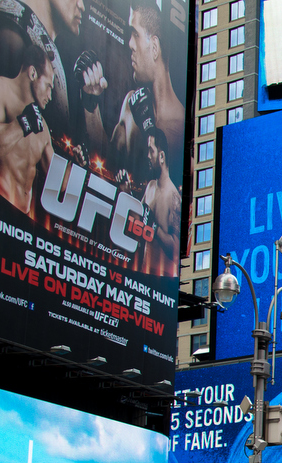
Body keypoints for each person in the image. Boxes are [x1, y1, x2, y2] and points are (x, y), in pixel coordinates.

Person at [95, 1, 185, 182]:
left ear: (154, 47)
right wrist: (91, 102)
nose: (130, 44)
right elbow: (104, 159)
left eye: (135, 34)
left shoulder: (181, 128)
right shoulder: (131, 103)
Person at [0, 37, 56, 217]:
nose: (50, 96)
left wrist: (77, 166)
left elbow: (57, 180)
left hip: (23, 223)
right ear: (33, 73)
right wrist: (22, 124)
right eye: (48, 86)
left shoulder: (42, 126)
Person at [139, 127, 181, 276]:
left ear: (161, 156)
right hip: (144, 273)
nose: (148, 156)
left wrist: (155, 229)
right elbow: (137, 220)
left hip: (163, 281)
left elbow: (176, 251)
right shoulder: (150, 186)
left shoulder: (174, 198)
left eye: (151, 151)